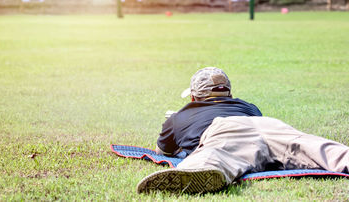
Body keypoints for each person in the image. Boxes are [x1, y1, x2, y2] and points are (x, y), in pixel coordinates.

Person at [137, 67, 349, 194]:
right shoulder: (248, 106)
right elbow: (257, 136)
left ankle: (193, 172)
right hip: (269, 124)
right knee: (312, 145)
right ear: (229, 93)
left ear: (193, 97)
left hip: (225, 129)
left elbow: (162, 150)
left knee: (218, 153)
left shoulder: (180, 115)